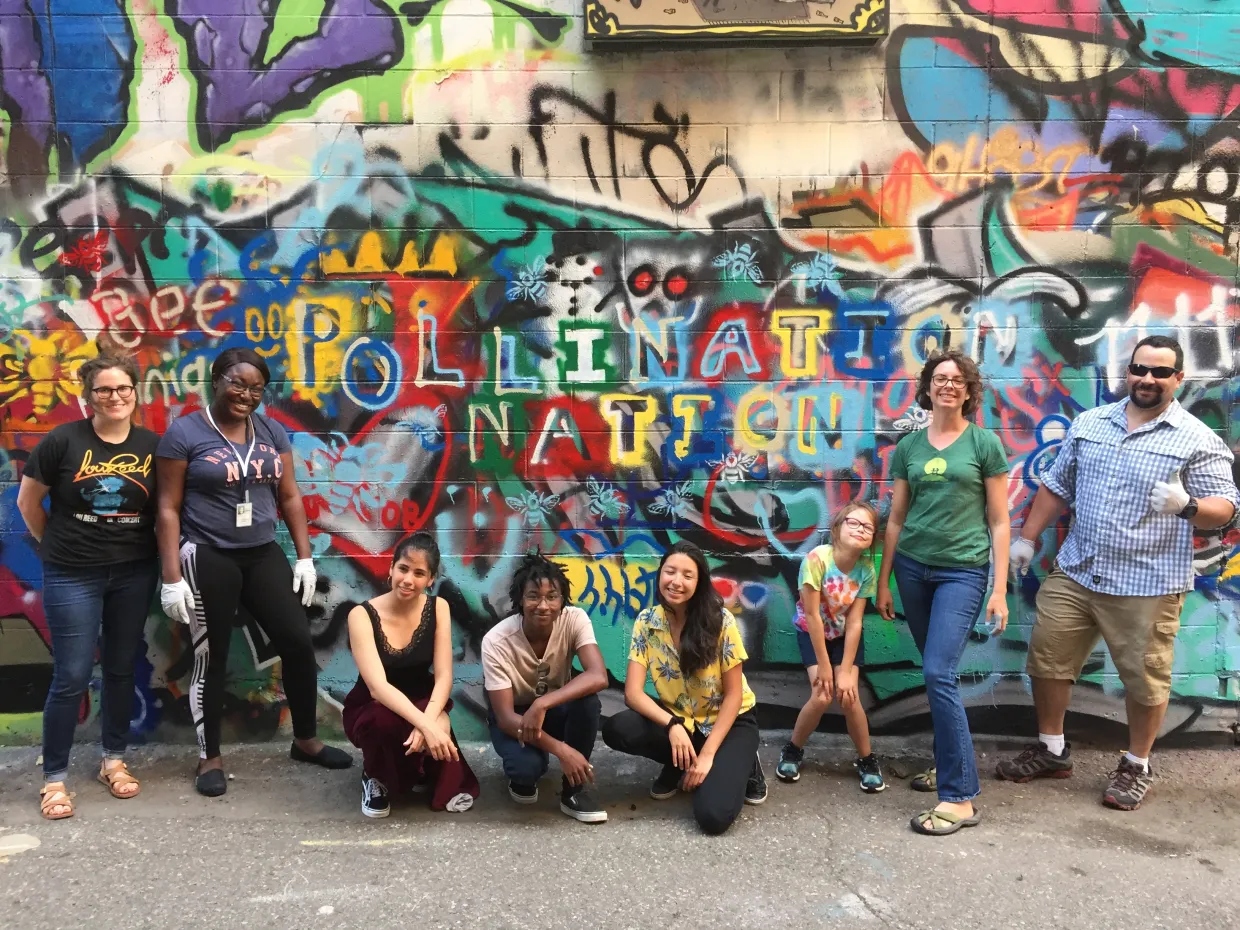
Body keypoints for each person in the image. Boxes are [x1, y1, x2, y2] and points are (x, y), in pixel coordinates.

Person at [1000, 335, 1238, 811]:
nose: (1147, 379)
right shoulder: (1090, 424)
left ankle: (1136, 764)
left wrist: (1187, 505)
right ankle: (1051, 749)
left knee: (1144, 680)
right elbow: (1055, 486)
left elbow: (1227, 508)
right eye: (1139, 369)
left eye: (1159, 372)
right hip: (1077, 570)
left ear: (1177, 378)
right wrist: (1027, 539)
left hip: (1146, 582)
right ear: (1127, 372)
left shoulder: (1196, 439)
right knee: (1048, 661)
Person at [155, 347, 351, 796]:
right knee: (213, 655)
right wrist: (171, 577)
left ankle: (306, 740)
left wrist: (304, 557)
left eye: (256, 387)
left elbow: (289, 497)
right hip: (207, 554)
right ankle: (210, 758)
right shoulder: (185, 433)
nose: (246, 393)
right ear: (217, 379)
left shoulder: (270, 431)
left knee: (298, 644)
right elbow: (166, 508)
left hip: (261, 551)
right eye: (237, 382)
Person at [17, 355, 160, 820]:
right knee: (72, 675)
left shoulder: (153, 446)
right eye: (103, 390)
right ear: (87, 396)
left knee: (120, 668)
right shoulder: (63, 441)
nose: (114, 397)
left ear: (136, 393)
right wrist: (54, 547)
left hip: (133, 572)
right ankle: (54, 778)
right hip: (72, 572)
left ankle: (112, 760)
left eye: (123, 389)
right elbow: (28, 501)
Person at [875, 349, 1011, 836]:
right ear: (927, 388)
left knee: (938, 672)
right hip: (913, 569)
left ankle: (960, 797)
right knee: (938, 676)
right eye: (939, 378)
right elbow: (895, 519)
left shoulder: (984, 444)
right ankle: (948, 764)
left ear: (970, 391)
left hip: (962, 573)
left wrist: (998, 589)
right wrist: (883, 579)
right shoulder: (909, 447)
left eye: (957, 379)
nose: (947, 385)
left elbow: (999, 521)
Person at [602, 541, 766, 835]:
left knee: (713, 817)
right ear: (660, 575)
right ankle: (679, 761)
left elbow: (734, 696)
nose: (676, 582)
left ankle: (745, 764)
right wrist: (673, 725)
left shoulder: (721, 620)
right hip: (682, 720)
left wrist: (707, 756)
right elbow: (633, 694)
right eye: (670, 572)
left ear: (699, 581)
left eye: (687, 575)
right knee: (618, 728)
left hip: (729, 724)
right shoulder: (646, 622)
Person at [343, 533, 478, 817]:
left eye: (419, 573)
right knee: (387, 721)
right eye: (403, 568)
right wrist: (427, 726)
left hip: (421, 697)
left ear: (430, 580)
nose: (408, 579)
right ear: (391, 568)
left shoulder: (438, 607)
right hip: (373, 706)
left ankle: (418, 769)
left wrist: (431, 720)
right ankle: (375, 777)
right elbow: (378, 688)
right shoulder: (361, 615)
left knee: (439, 727)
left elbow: (443, 677)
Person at [481, 551, 609, 823]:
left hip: (553, 708)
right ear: (519, 600)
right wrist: (562, 750)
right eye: (533, 596)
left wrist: (543, 703)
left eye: (552, 597)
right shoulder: (496, 640)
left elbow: (598, 675)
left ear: (562, 600)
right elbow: (504, 718)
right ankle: (530, 766)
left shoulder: (574, 619)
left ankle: (573, 791)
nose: (543, 605)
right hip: (515, 716)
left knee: (588, 702)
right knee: (526, 771)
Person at [776, 501, 884, 792]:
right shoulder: (817, 559)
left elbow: (856, 622)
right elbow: (811, 615)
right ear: (838, 528)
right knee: (823, 695)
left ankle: (867, 759)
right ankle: (793, 749)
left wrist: (846, 669)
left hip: (844, 635)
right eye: (854, 522)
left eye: (868, 527)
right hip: (813, 633)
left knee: (850, 697)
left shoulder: (866, 569)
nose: (860, 529)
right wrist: (825, 666)